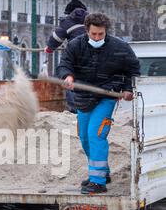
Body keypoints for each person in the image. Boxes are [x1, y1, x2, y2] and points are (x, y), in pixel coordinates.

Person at [56, 12, 140, 194]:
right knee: (85, 137)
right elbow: (64, 64)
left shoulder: (120, 47)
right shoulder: (75, 46)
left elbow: (133, 69)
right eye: (93, 34)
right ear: (87, 31)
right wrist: (67, 76)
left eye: (100, 34)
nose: (97, 37)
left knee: (96, 135)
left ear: (105, 31)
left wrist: (127, 89)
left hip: (106, 97)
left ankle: (97, 182)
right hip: (83, 97)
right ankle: (103, 172)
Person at [45, 0, 88, 113]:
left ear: (70, 12)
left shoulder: (68, 21)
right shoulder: (91, 19)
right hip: (92, 54)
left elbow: (56, 38)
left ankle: (74, 109)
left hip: (75, 54)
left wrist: (49, 49)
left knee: (69, 78)